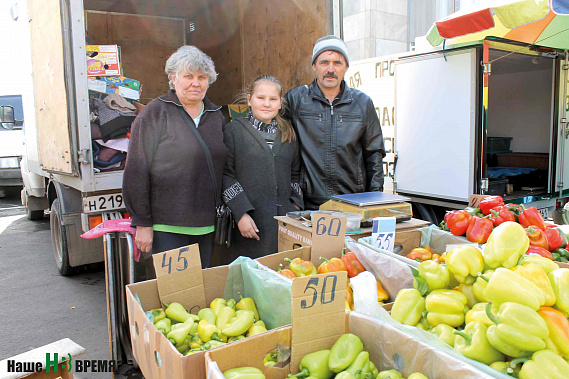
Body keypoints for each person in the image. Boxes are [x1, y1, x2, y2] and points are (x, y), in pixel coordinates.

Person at [123, 46, 228, 273]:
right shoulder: (155, 113)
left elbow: (225, 168)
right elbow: (137, 170)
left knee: (201, 294)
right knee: (175, 296)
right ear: (173, 78)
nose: (196, 83)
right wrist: (142, 222)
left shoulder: (215, 116)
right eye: (188, 76)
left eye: (202, 77)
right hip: (167, 226)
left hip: (207, 226)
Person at [283, 35, 385, 210]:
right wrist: (292, 198)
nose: (331, 69)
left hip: (353, 203)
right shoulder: (296, 100)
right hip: (309, 205)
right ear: (314, 66)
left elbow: (374, 154)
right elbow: (279, 147)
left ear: (346, 67)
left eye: (337, 63)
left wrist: (374, 201)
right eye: (324, 62)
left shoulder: (362, 103)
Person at [222, 75, 303, 261]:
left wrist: (294, 206)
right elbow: (226, 175)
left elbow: (296, 173)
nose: (267, 104)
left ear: (280, 103)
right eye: (261, 98)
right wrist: (240, 212)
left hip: (283, 225)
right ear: (249, 100)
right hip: (249, 225)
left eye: (273, 99)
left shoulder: (288, 134)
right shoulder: (233, 131)